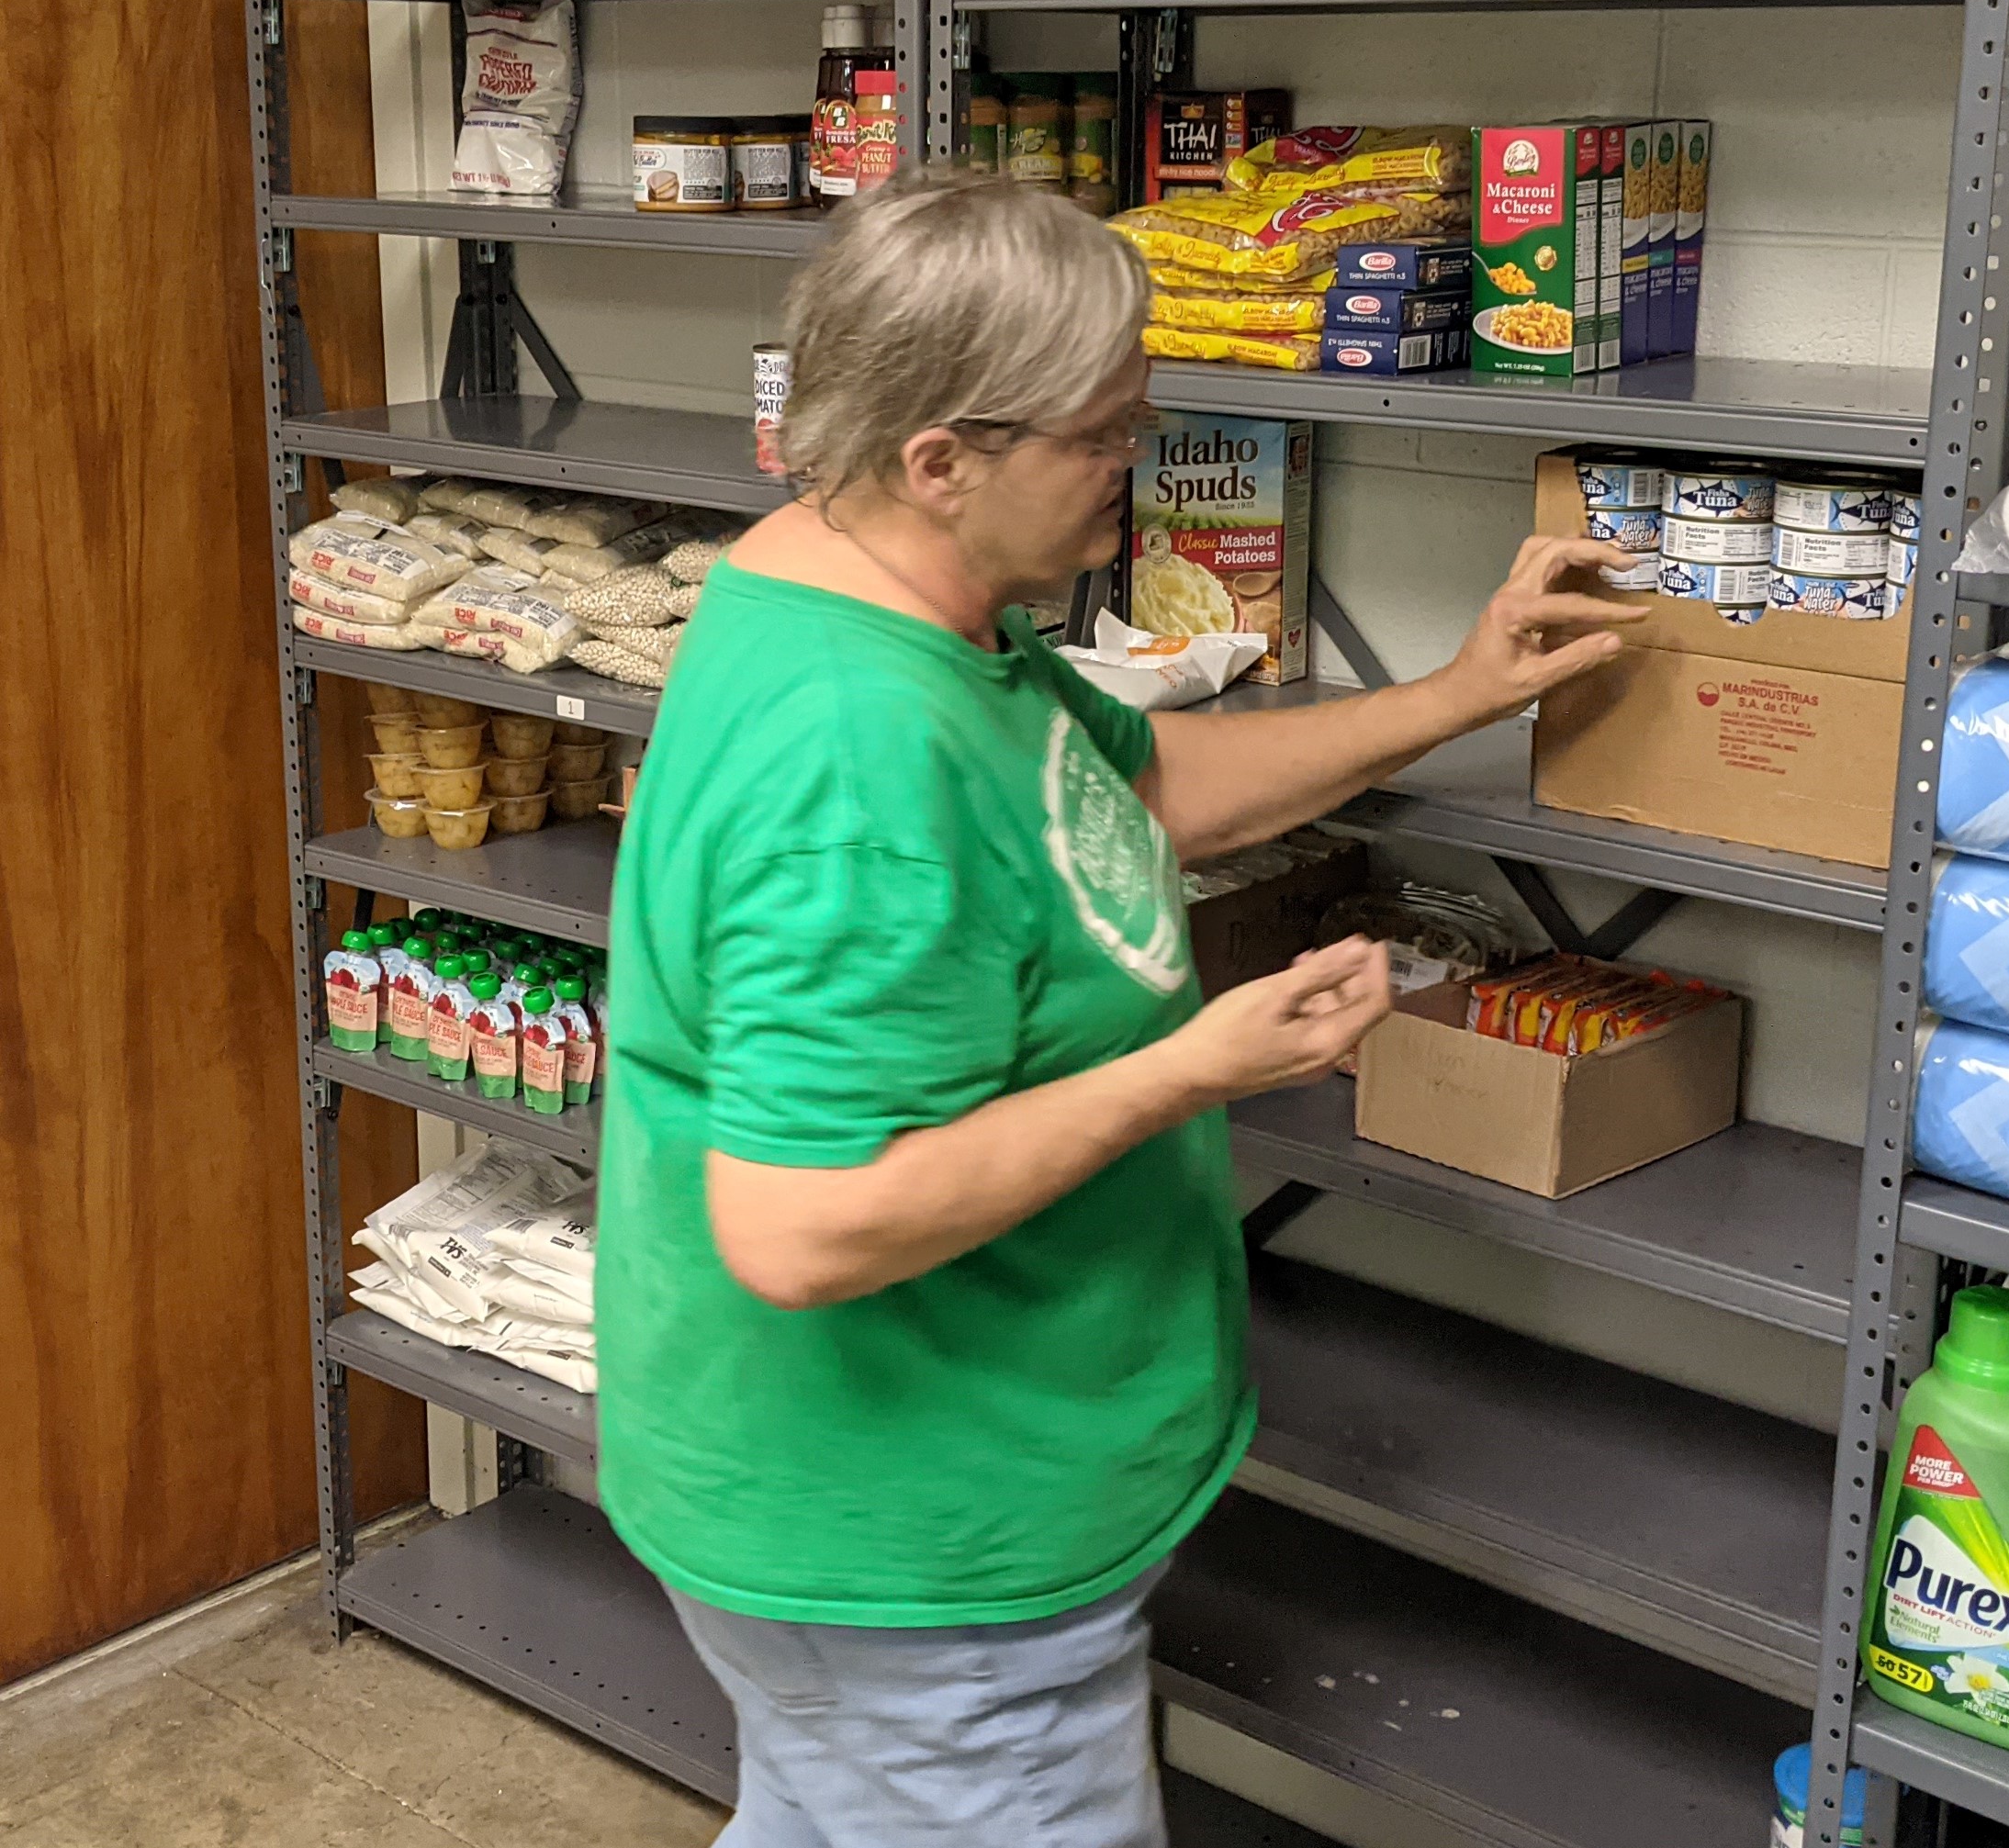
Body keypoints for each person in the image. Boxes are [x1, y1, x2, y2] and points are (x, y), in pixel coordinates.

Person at [596, 169, 1642, 1846]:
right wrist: (1191, 1069)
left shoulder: (863, 579)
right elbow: (800, 1225)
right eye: (1105, 433)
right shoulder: (861, 756)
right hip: (919, 1562)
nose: (1136, 462)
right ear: (943, 459)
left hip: (889, 1523)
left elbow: (1135, 784)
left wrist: (1458, 690)